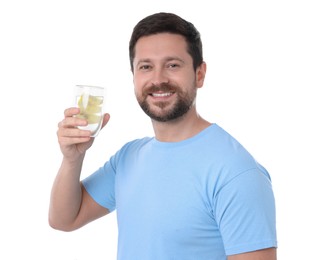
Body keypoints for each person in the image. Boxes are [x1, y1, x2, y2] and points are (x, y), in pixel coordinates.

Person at [49, 12, 277, 260]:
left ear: (199, 74)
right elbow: (64, 219)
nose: (158, 79)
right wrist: (72, 159)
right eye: (146, 66)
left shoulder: (236, 173)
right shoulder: (128, 158)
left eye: (173, 65)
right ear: (134, 76)